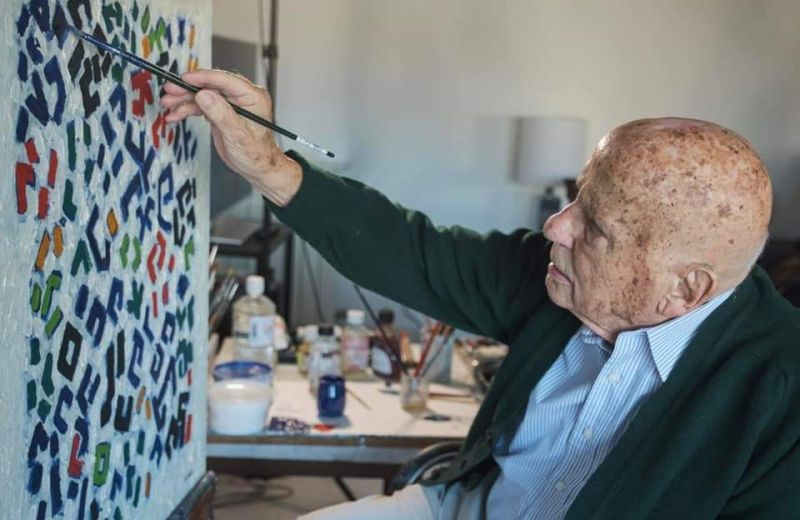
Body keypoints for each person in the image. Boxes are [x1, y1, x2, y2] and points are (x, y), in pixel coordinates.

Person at [161, 70, 800, 519]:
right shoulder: (555, 275)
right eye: (577, 197)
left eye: (596, 228)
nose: (556, 227)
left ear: (685, 289)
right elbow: (415, 251)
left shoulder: (782, 399)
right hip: (464, 505)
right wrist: (268, 164)